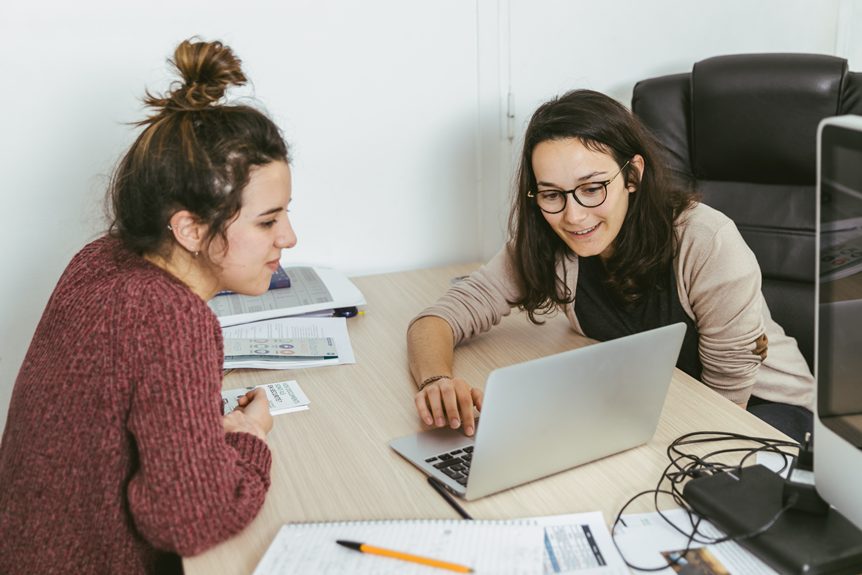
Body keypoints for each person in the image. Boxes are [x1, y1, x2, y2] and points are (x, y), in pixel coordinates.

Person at [0, 39, 296, 574]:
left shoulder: (102, 259)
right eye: (268, 221)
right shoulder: (172, 317)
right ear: (189, 228)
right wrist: (250, 443)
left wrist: (207, 433)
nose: (290, 237)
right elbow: (187, 521)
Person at [407, 89, 815, 443]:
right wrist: (436, 380)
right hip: (659, 402)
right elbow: (438, 319)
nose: (574, 216)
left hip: (765, 410)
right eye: (552, 194)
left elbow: (726, 409)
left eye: (592, 188)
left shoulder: (706, 241)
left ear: (632, 175)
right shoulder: (550, 241)